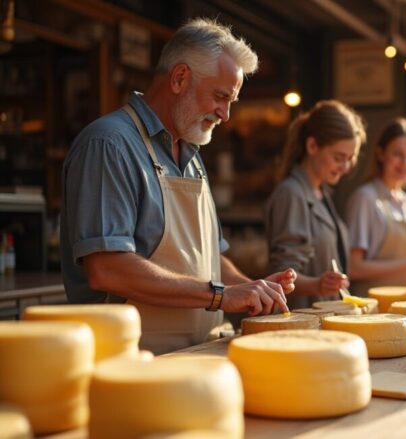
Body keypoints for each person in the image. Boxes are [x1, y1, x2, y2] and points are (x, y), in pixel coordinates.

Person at [61, 18, 296, 355]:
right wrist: (220, 295)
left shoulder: (191, 154)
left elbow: (211, 260)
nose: (226, 114)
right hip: (132, 365)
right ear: (180, 78)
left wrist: (254, 288)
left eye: (232, 101)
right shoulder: (109, 144)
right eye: (220, 96)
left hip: (200, 354)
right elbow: (107, 269)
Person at [266, 100, 366, 309]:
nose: (346, 167)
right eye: (339, 157)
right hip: (303, 327)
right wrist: (317, 285)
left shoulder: (321, 192)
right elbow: (283, 273)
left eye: (350, 158)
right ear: (312, 146)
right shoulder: (291, 193)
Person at [345, 118, 406, 296]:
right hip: (371, 308)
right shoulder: (365, 198)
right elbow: (354, 268)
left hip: (402, 303)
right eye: (398, 154)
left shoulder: (405, 200)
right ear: (380, 154)